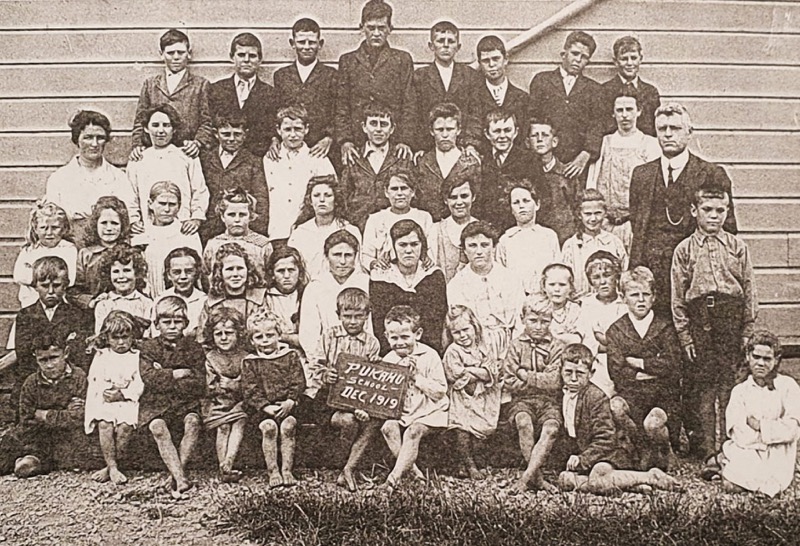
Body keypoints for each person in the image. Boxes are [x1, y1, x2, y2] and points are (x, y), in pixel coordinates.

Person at [672, 182, 755, 462]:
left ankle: (730, 449)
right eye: (707, 209)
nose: (714, 216)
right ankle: (709, 451)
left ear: (727, 211)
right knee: (705, 388)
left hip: (730, 319)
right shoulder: (684, 250)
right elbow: (678, 299)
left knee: (729, 386)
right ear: (694, 210)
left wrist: (746, 332)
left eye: (721, 210)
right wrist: (685, 337)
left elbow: (749, 292)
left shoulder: (737, 247)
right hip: (700, 320)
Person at [629, 103, 737, 318]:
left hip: (696, 275)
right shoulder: (642, 175)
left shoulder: (711, 173)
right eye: (662, 129)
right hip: (654, 274)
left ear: (689, 133)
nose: (668, 134)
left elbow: (728, 228)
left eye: (675, 128)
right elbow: (637, 227)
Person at [556, 344, 680, 494]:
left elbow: (606, 438)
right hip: (590, 453)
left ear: (591, 373)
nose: (573, 379)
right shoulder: (560, 395)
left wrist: (582, 459)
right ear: (561, 371)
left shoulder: (595, 397)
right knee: (565, 479)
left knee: (597, 480)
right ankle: (632, 484)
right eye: (568, 372)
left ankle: (650, 477)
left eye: (580, 373)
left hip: (612, 452)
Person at [308, 288, 382, 491]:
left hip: (357, 399)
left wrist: (375, 365)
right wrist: (325, 374)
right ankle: (341, 463)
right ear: (338, 315)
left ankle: (348, 469)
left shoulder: (371, 343)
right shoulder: (330, 336)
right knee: (349, 421)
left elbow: (372, 381)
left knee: (371, 422)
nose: (352, 322)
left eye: (358, 317)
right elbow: (315, 364)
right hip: (330, 398)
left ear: (367, 317)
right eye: (347, 316)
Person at [607, 267, 681, 470]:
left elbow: (673, 365)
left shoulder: (665, 327)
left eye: (646, 294)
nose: (641, 300)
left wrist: (638, 363)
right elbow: (617, 372)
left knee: (653, 424)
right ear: (623, 297)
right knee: (615, 407)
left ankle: (665, 449)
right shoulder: (615, 330)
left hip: (663, 395)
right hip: (632, 395)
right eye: (634, 295)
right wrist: (654, 368)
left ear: (654, 297)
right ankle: (642, 447)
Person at [716, 332, 800, 497]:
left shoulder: (788, 386)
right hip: (748, 449)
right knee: (731, 485)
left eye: (767, 359)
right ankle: (724, 463)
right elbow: (737, 432)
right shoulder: (740, 391)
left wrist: (760, 426)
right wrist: (767, 436)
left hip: (779, 451)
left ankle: (722, 462)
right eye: (756, 357)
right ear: (748, 356)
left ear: (776, 360)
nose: (761, 363)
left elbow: (791, 430)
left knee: (774, 484)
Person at [139, 296, 206, 499]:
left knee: (193, 422)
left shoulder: (193, 348)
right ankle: (181, 478)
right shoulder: (149, 347)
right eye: (166, 322)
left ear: (185, 323)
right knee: (157, 427)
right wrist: (177, 373)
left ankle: (177, 474)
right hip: (156, 403)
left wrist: (164, 373)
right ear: (157, 324)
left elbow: (198, 382)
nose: (172, 327)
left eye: (177, 322)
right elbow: (149, 378)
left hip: (185, 403)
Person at [335, 0, 416, 165]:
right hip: (357, 141)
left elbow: (410, 102)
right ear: (362, 27)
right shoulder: (348, 61)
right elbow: (341, 103)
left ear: (390, 29)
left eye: (382, 28)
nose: (376, 33)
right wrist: (345, 140)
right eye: (371, 28)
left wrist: (405, 140)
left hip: (393, 140)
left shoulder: (401, 59)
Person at [13, 257, 93, 419]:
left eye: (56, 286)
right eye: (44, 286)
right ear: (35, 286)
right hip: (36, 383)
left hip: (68, 385)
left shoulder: (78, 315)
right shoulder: (26, 316)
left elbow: (79, 355)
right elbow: (24, 355)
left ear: (65, 286)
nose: (50, 292)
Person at [380, 305, 449, 491]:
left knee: (413, 431)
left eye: (405, 337)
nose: (399, 343)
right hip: (404, 412)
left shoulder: (429, 355)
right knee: (388, 427)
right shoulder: (388, 360)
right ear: (386, 337)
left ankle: (393, 479)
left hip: (430, 411)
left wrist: (415, 377)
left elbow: (440, 391)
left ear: (417, 334)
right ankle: (415, 473)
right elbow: (385, 395)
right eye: (394, 338)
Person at [502, 294, 564, 493]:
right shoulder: (515, 346)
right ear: (522, 319)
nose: (538, 326)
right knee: (523, 423)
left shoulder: (557, 346)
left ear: (551, 321)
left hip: (549, 402)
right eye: (533, 321)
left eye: (544, 322)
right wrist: (537, 380)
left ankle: (526, 478)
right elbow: (509, 380)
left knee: (551, 429)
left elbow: (554, 382)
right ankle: (537, 479)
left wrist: (524, 374)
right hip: (522, 400)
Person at [44, 110, 136, 245]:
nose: (94, 144)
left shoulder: (118, 178)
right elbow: (52, 220)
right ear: (77, 139)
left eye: (100, 138)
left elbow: (130, 215)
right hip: (71, 247)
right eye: (88, 137)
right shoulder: (59, 179)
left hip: (109, 248)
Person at [586, 89, 661, 251]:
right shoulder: (604, 142)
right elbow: (592, 181)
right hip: (605, 224)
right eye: (619, 110)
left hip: (635, 225)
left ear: (639, 111)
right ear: (613, 113)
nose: (625, 115)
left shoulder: (650, 144)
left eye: (629, 110)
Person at [9, 328, 87, 478]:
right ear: (35, 358)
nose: (49, 365)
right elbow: (27, 419)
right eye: (43, 360)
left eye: (54, 358)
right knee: (14, 443)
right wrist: (63, 413)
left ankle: (32, 461)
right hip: (41, 435)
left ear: (66, 353)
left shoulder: (79, 377)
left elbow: (78, 417)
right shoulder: (31, 383)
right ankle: (28, 460)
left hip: (69, 436)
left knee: (78, 452)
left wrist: (45, 414)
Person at [242, 310, 306, 488]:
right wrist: (264, 406)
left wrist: (291, 400)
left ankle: (287, 469)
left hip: (288, 405)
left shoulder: (290, 356)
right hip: (264, 409)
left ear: (279, 335)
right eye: (259, 337)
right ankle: (273, 471)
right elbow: (249, 389)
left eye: (270, 335)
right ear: (252, 340)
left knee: (288, 426)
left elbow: (298, 381)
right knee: (268, 428)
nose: (265, 340)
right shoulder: (251, 361)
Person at [528, 31, 602, 180]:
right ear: (564, 53)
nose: (578, 60)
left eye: (584, 57)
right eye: (574, 54)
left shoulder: (594, 89)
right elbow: (532, 117)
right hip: (545, 160)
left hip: (577, 164)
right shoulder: (542, 80)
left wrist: (585, 155)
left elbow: (597, 125)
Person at [127, 104, 209, 236]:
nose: (161, 131)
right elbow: (130, 194)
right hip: (148, 228)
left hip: (183, 228)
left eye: (166, 125)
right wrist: (133, 220)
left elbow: (199, 190)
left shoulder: (186, 156)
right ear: (146, 128)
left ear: (174, 129)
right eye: (155, 125)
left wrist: (196, 218)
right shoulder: (138, 159)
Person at [130, 29, 213, 160]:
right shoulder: (150, 84)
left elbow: (207, 122)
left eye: (180, 52)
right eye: (170, 53)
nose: (176, 57)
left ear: (189, 54)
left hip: (187, 153)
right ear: (161, 54)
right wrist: (137, 145)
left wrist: (197, 143)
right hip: (156, 153)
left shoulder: (201, 85)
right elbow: (140, 120)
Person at [84, 311, 145, 484]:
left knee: (125, 427)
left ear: (132, 337)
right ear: (107, 338)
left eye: (125, 337)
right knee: (105, 424)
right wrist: (107, 391)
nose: (120, 343)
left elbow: (139, 383)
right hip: (107, 399)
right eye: (115, 338)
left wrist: (123, 394)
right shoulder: (102, 356)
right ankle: (112, 466)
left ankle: (113, 466)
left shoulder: (136, 356)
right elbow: (94, 379)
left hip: (127, 401)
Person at [447, 221, 523, 358]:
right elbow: (460, 326)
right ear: (464, 250)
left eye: (484, 245)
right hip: (474, 350)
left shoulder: (510, 278)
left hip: (510, 346)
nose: (479, 252)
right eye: (472, 246)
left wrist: (513, 353)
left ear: (493, 247)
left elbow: (520, 319)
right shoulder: (456, 285)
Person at [370, 220, 447, 354]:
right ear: (393, 247)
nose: (408, 250)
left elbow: (437, 322)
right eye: (402, 245)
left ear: (422, 246)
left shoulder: (433, 276)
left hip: (428, 351)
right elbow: (379, 324)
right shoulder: (381, 277)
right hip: (392, 352)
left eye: (414, 244)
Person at [443, 305, 502, 479]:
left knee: (481, 430)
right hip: (461, 398)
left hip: (482, 397)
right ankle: (469, 465)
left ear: (475, 326)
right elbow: (457, 374)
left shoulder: (483, 347)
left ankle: (466, 463)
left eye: (466, 330)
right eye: (457, 333)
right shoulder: (453, 351)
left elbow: (491, 372)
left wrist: (472, 371)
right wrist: (480, 372)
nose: (463, 336)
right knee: (463, 431)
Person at [264, 105, 336, 243]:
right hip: (276, 231)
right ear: (278, 130)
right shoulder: (269, 159)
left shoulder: (319, 159)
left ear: (306, 129)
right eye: (287, 129)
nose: (292, 135)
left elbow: (332, 194)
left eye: (297, 129)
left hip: (309, 232)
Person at [198, 113, 269, 243]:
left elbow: (261, 198)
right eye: (226, 134)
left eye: (237, 134)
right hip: (209, 227)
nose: (231, 139)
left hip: (241, 228)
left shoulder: (254, 161)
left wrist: (254, 229)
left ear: (245, 135)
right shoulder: (204, 159)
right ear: (216, 134)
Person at [413, 21, 482, 155]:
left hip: (462, 147)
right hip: (428, 147)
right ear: (431, 46)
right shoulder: (420, 76)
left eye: (451, 41)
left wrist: (470, 144)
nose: (445, 45)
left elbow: (475, 113)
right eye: (440, 41)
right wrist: (420, 147)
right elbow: (416, 114)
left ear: (458, 46)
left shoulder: (469, 75)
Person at [273, 18, 338, 159]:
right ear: (293, 43)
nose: (307, 47)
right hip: (290, 145)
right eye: (301, 42)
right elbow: (276, 110)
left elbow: (338, 110)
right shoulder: (281, 75)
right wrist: (275, 139)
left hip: (321, 147)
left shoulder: (332, 75)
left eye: (312, 42)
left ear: (320, 44)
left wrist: (329, 138)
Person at [341, 103, 413, 230]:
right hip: (359, 225)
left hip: (394, 226)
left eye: (384, 124)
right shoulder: (354, 157)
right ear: (364, 127)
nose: (378, 129)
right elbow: (344, 194)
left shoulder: (401, 157)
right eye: (373, 124)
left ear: (392, 129)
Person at [298, 230, 370, 356]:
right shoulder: (315, 287)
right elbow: (309, 334)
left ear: (356, 256)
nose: (342, 261)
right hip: (327, 357)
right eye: (337, 255)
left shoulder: (366, 283)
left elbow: (371, 328)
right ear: (326, 256)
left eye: (348, 255)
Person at [209, 32, 276, 158]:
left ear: (260, 59)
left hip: (257, 159)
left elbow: (271, 129)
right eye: (241, 55)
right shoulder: (216, 89)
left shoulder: (270, 93)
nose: (246, 60)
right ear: (231, 57)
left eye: (252, 56)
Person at [201, 307, 249, 483]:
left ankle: (229, 461)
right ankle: (224, 467)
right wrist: (220, 387)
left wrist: (236, 385)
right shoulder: (211, 358)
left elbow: (251, 384)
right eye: (218, 334)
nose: (223, 338)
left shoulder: (245, 357)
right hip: (216, 403)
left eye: (229, 333)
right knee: (223, 427)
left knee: (240, 420)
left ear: (239, 334)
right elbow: (209, 386)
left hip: (239, 402)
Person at [132, 181, 203, 298]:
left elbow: (197, 274)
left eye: (172, 204)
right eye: (162, 203)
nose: (167, 209)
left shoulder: (187, 233)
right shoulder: (141, 233)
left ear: (179, 206)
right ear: (150, 204)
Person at [414, 103, 481, 222]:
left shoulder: (471, 163)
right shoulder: (422, 161)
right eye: (439, 130)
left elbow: (477, 201)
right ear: (431, 131)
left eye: (450, 129)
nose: (445, 135)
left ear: (458, 130)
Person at [288, 175, 362, 281]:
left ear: (336, 200)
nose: (322, 200)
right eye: (316, 195)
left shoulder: (350, 230)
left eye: (328, 195)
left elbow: (358, 267)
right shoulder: (299, 233)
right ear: (310, 200)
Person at [475, 111, 539, 231]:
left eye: (507, 130)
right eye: (497, 131)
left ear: (516, 132)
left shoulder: (529, 160)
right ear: (487, 134)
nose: (502, 136)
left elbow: (541, 196)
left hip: (519, 229)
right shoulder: (481, 160)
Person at [575, 251, 628, 398]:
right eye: (597, 277)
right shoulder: (585, 305)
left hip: (621, 363)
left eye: (607, 275)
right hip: (594, 362)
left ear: (616, 276)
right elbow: (585, 338)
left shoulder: (625, 305)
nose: (603, 282)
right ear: (591, 282)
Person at [496, 178, 561, 296]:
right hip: (515, 299)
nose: (521, 206)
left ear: (537, 204)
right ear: (511, 209)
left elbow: (557, 271)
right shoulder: (506, 240)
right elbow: (500, 276)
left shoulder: (548, 236)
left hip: (546, 299)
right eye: (516, 202)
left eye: (526, 201)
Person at [196, 242, 268, 345]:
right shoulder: (212, 303)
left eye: (240, 268)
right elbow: (202, 338)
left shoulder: (260, 299)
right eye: (229, 269)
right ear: (220, 272)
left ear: (248, 270)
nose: (235, 274)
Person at [361, 171, 434, 273]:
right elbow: (366, 255)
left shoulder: (424, 217)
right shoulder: (375, 219)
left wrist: (428, 260)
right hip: (385, 273)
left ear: (412, 192)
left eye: (404, 188)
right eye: (394, 189)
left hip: (418, 272)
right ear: (386, 192)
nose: (399, 193)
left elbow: (431, 250)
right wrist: (374, 263)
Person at [561, 190, 628, 298]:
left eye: (597, 213)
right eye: (587, 214)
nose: (593, 219)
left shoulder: (614, 242)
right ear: (579, 215)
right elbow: (564, 278)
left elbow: (624, 274)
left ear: (605, 213)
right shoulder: (571, 245)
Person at [70, 196, 131, 309]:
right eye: (104, 223)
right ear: (95, 224)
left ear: (122, 225)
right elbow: (74, 290)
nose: (109, 228)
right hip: (92, 311)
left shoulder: (130, 252)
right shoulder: (85, 255)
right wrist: (90, 301)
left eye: (114, 223)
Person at [13, 202, 77, 309]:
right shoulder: (29, 250)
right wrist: (51, 274)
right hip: (29, 303)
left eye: (55, 227)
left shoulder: (68, 249)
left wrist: (34, 273)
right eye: (43, 227)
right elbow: (19, 276)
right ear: (35, 229)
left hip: (57, 303)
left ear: (64, 229)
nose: (49, 233)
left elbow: (70, 278)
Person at [472, 35, 529, 155]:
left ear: (505, 59)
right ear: (479, 63)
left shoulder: (522, 98)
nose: (491, 65)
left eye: (496, 59)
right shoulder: (472, 97)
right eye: (486, 61)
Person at [203, 187, 273, 281]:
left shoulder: (262, 244)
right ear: (223, 217)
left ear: (251, 216)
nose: (237, 220)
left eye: (242, 215)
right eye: (231, 215)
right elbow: (206, 275)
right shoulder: (213, 244)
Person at [528, 118, 578, 245]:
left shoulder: (567, 174)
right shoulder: (525, 174)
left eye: (545, 135)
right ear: (528, 143)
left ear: (554, 141)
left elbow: (577, 207)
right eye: (535, 135)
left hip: (564, 237)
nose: (540, 139)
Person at [600, 36, 661, 137]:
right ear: (616, 61)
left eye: (633, 58)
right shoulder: (604, 90)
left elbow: (655, 127)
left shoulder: (650, 91)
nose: (629, 63)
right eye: (624, 59)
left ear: (640, 59)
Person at [93, 244, 153, 334]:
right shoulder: (104, 304)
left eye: (127, 270)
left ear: (137, 273)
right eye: (116, 272)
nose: (121, 276)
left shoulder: (146, 303)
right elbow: (100, 335)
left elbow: (147, 335)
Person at [428, 176, 479, 282]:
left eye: (464, 196)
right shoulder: (436, 230)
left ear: (473, 197)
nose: (459, 202)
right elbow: (430, 267)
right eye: (453, 197)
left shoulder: (482, 229)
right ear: (445, 200)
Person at [156, 247, 207, 338]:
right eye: (177, 272)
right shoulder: (160, 300)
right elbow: (155, 333)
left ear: (197, 273)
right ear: (168, 275)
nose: (183, 276)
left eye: (189, 271)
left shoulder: (204, 301)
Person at [264, 246, 308, 349]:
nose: (287, 276)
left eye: (291, 270)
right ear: (272, 274)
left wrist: (282, 336)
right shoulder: (265, 298)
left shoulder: (307, 295)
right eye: (281, 271)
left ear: (300, 272)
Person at [541, 263, 582, 346]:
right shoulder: (539, 308)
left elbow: (577, 339)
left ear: (571, 287)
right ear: (544, 286)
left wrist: (553, 336)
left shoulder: (575, 309)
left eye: (562, 285)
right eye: (552, 284)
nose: (557, 289)